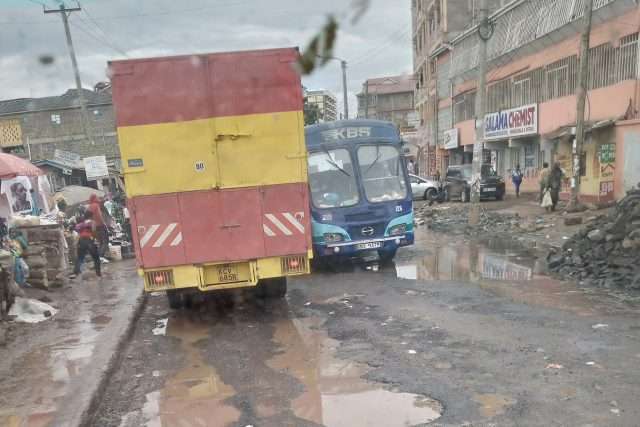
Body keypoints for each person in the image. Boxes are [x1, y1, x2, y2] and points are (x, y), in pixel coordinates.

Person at [72, 210, 101, 278]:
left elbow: (77, 230)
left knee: (80, 257)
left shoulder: (82, 223)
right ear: (91, 216)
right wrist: (96, 239)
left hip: (81, 240)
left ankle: (76, 273)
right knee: (96, 257)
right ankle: (98, 273)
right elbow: (93, 231)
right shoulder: (92, 222)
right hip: (89, 240)